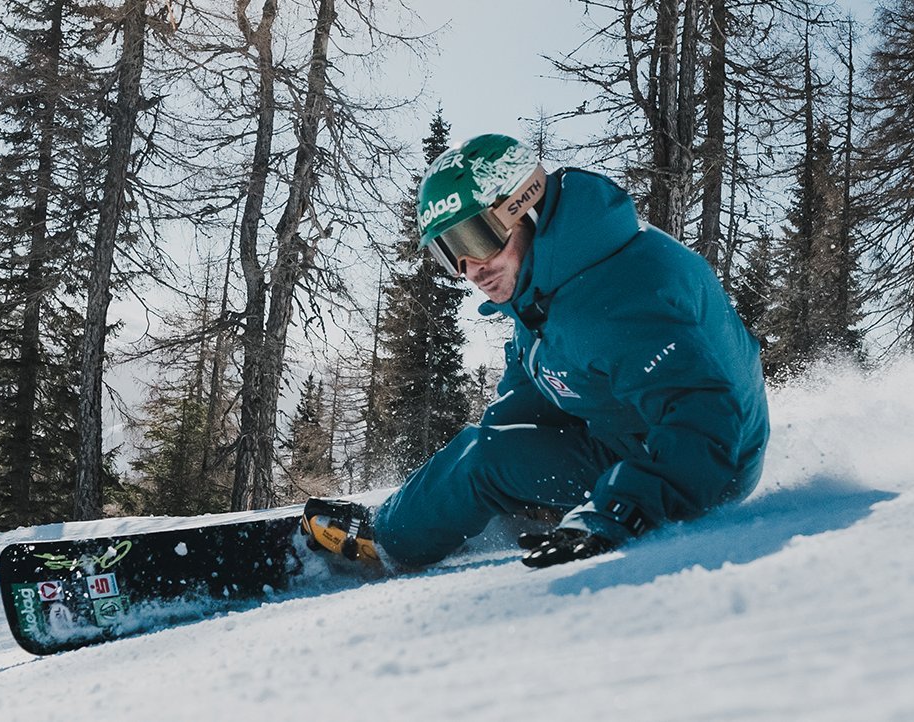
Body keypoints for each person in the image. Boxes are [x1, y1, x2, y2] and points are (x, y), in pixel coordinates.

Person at [302, 133, 769, 570]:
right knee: (486, 450)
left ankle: (384, 544)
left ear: (523, 208)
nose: (471, 268)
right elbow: (533, 390)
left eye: (475, 239)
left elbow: (707, 421)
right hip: (637, 436)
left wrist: (618, 511)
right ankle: (444, 516)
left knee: (483, 461)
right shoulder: (553, 279)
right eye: (450, 253)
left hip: (696, 468)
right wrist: (478, 473)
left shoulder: (620, 296)